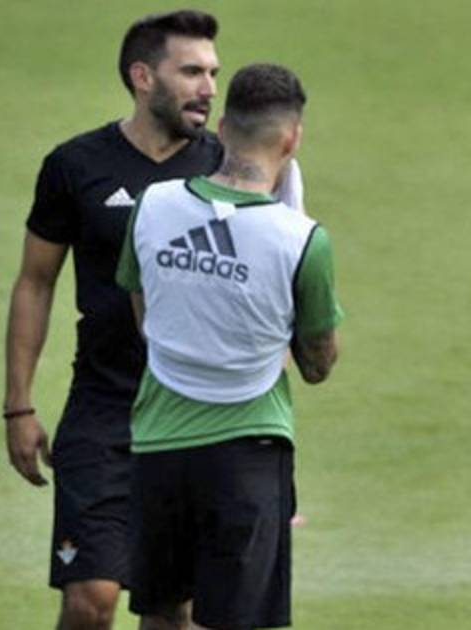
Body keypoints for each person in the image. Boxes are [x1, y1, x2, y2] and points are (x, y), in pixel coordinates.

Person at [2, 11, 224, 629]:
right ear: (142, 77)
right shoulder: (76, 165)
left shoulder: (225, 169)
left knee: (173, 608)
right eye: (192, 72)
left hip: (193, 415)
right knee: (90, 601)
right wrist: (18, 406)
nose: (208, 88)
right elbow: (35, 282)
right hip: (102, 411)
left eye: (213, 73)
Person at [116, 62, 340, 630]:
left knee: (161, 614)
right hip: (248, 451)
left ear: (221, 128)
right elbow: (318, 364)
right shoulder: (302, 240)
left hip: (159, 443)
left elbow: (146, 318)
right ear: (291, 139)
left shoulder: (153, 204)